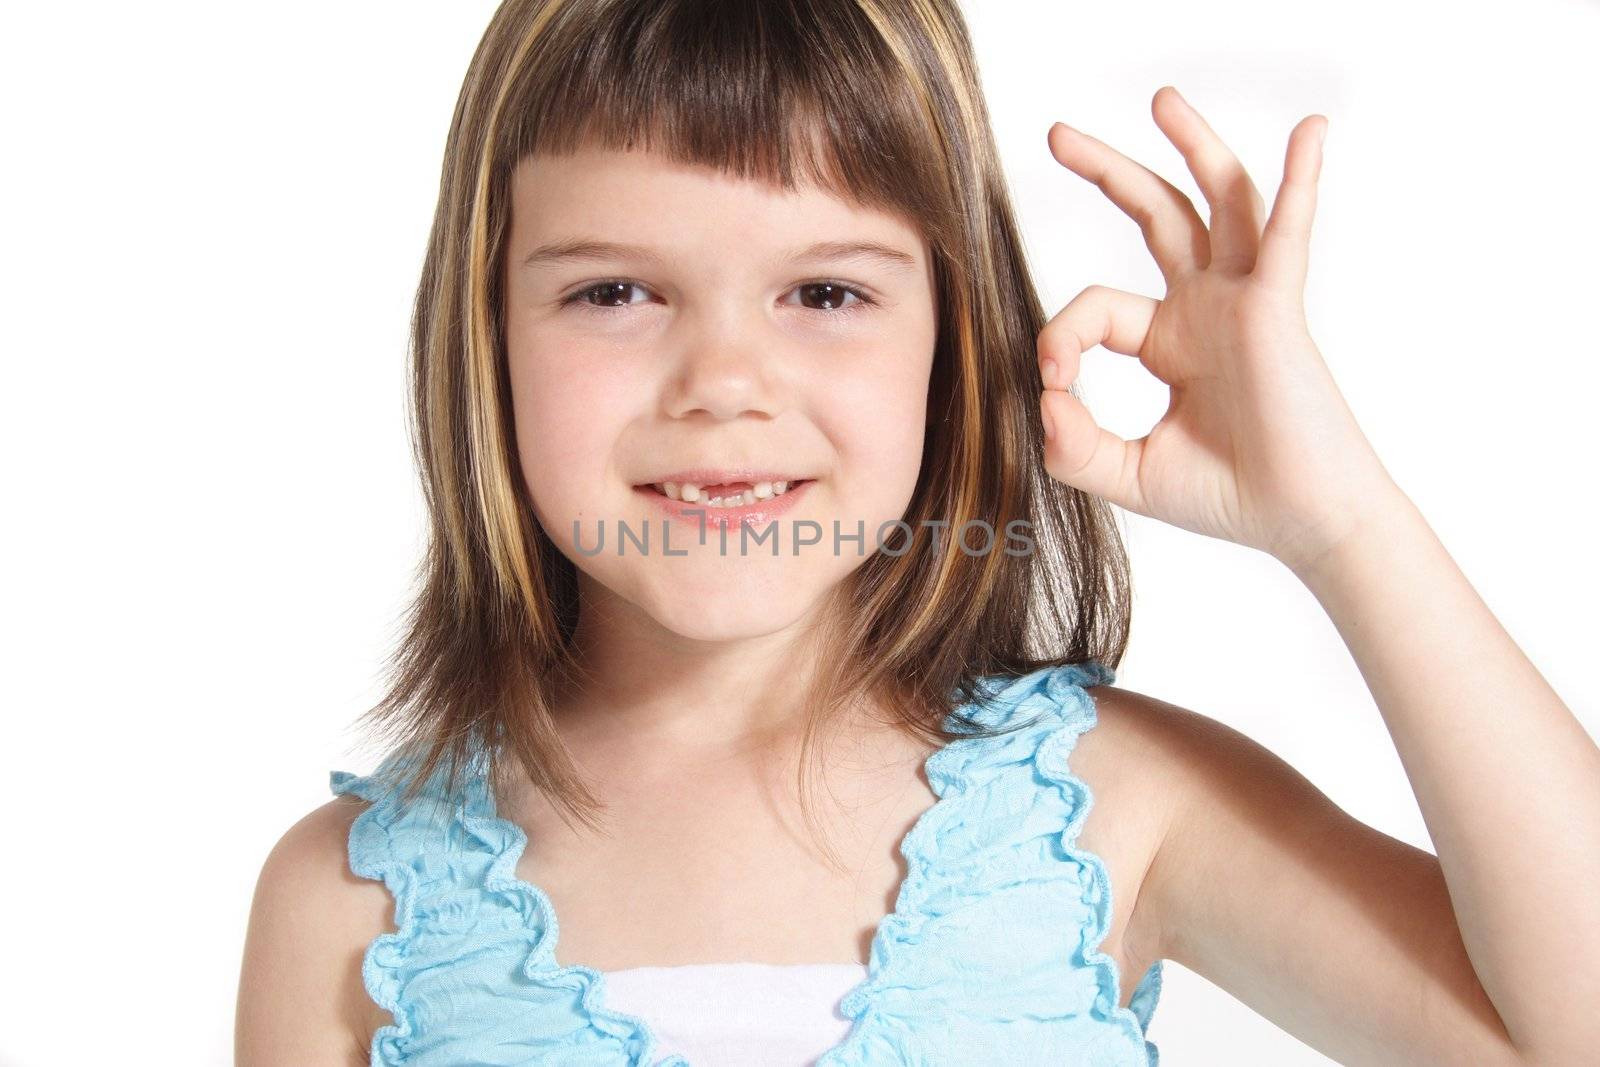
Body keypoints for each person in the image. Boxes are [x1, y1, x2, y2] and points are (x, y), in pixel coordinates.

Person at [234, 1, 1599, 1065]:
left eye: (825, 292)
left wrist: (1343, 520)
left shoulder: (1119, 808)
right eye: (613, 292)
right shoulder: (345, 907)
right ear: (484, 343)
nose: (723, 381)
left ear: (955, 340)